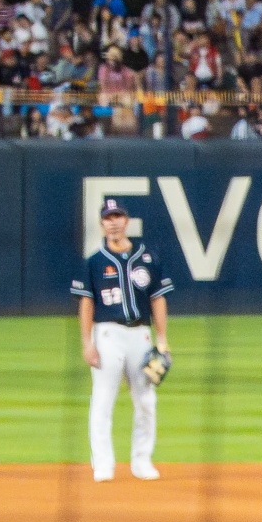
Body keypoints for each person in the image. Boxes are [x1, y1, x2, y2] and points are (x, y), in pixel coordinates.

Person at [71, 197, 173, 482]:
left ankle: (142, 461)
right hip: (107, 334)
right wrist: (87, 343)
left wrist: (162, 340)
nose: (113, 222)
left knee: (146, 399)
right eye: (108, 218)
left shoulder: (147, 257)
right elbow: (86, 304)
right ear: (101, 224)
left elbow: (158, 299)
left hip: (141, 334)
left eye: (117, 216)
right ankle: (103, 464)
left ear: (126, 221)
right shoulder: (93, 262)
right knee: (103, 399)